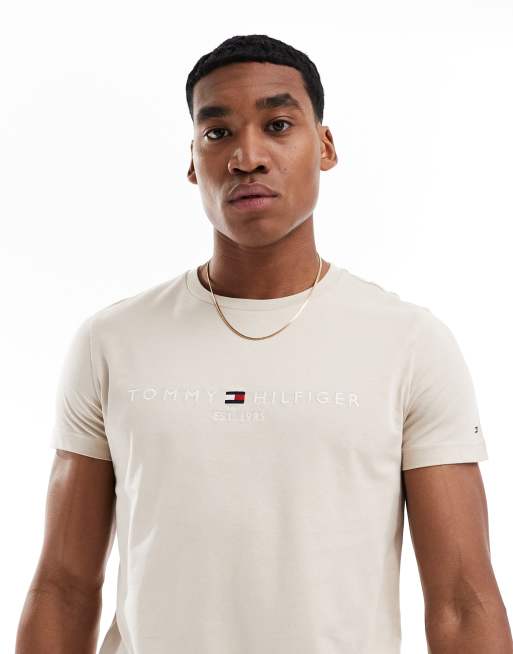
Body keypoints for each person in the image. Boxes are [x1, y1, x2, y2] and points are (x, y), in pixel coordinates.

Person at [16, 34, 512, 654]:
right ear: (193, 160)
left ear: (324, 146)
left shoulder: (410, 344)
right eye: (217, 133)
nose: (246, 157)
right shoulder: (110, 343)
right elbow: (63, 589)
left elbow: (462, 600)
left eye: (277, 125)